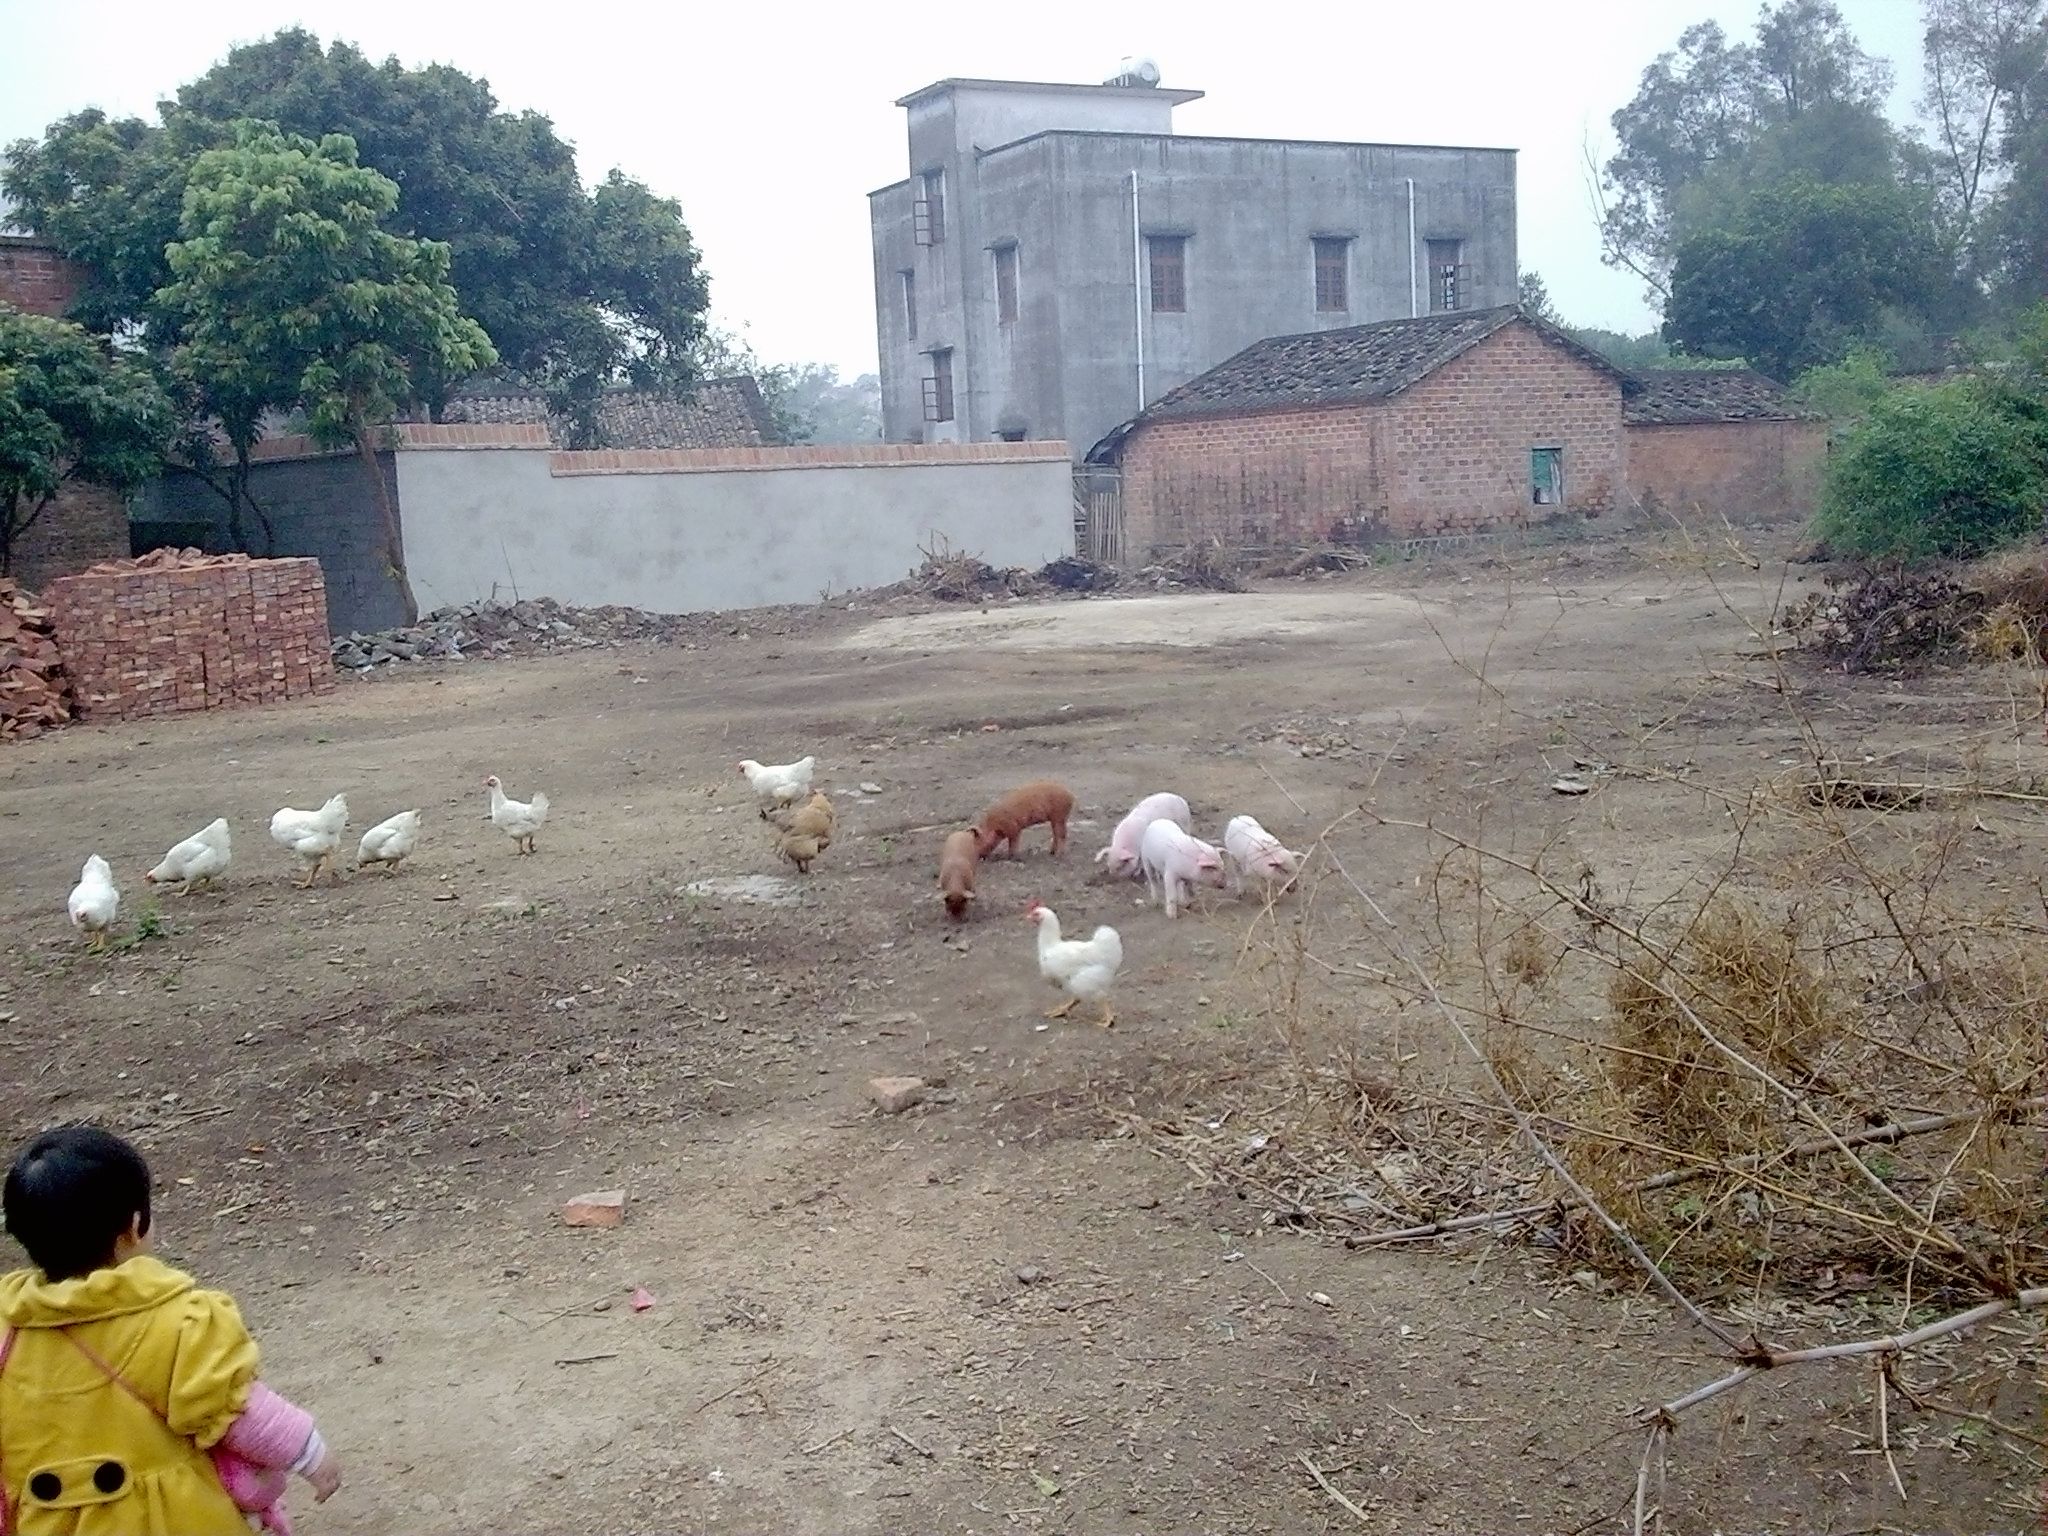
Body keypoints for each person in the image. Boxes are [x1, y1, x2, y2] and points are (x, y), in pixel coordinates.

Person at [0, 1126, 342, 1534]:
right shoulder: (180, 1323)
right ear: (133, 1227)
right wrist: (311, 1454)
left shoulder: (7, 1332)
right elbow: (238, 1412)